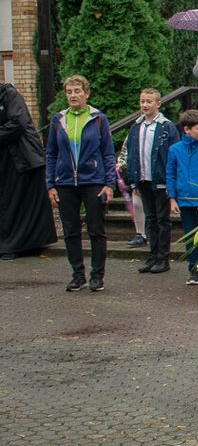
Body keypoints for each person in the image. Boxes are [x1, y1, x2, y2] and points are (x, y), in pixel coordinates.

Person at [44, 75, 117, 293]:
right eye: (69, 91)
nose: (73, 95)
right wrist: (51, 184)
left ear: (86, 93)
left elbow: (107, 153)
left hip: (93, 181)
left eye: (77, 91)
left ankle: (97, 276)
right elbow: (51, 154)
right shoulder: (59, 120)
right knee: (70, 231)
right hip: (65, 183)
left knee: (96, 230)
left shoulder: (98, 119)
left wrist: (109, 184)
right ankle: (77, 275)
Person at [125, 89, 180, 275]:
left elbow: (174, 155)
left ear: (158, 104)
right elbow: (132, 153)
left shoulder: (167, 127)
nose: (145, 105)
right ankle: (153, 254)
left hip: (161, 180)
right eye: (142, 101)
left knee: (162, 219)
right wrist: (133, 180)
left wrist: (172, 181)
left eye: (149, 101)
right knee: (149, 218)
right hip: (143, 178)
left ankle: (163, 257)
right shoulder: (136, 127)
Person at [0, 83, 57, 258]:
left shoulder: (8, 94)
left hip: (22, 158)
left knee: (20, 203)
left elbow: (19, 122)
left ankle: (18, 246)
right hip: (5, 159)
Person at [166, 110, 198, 285]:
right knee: (190, 236)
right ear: (187, 129)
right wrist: (172, 198)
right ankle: (193, 269)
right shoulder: (175, 149)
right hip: (184, 200)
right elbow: (170, 174)